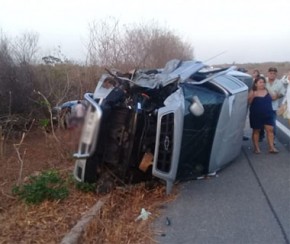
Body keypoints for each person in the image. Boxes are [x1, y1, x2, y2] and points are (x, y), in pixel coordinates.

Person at [248, 76, 278, 154]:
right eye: (260, 82)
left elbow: (274, 97)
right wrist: (253, 96)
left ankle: (271, 147)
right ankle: (256, 148)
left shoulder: (267, 90)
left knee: (270, 130)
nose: (262, 84)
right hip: (256, 115)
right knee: (256, 131)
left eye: (263, 82)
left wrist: (276, 94)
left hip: (268, 114)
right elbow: (249, 102)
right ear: (256, 84)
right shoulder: (253, 91)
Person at [265, 67, 286, 137]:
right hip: (262, 106)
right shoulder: (263, 81)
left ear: (276, 74)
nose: (272, 75)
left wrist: (277, 96)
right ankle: (261, 136)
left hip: (273, 107)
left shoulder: (279, 82)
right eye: (271, 73)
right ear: (268, 73)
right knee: (260, 124)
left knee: (272, 125)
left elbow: (283, 93)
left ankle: (272, 140)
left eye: (274, 73)